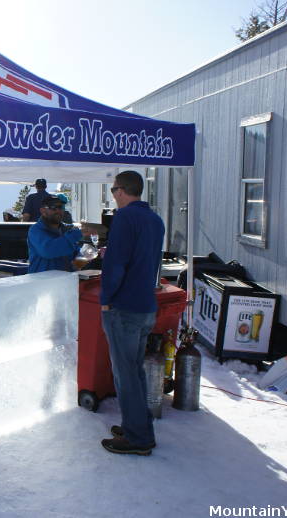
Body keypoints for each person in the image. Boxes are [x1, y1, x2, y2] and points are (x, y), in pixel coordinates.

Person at [99, 171, 165, 456]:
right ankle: (138, 425)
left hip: (123, 307)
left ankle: (138, 438)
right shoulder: (155, 219)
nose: (113, 195)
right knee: (134, 372)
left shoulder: (125, 218)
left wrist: (106, 298)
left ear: (122, 190)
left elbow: (116, 264)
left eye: (113, 190)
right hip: (145, 305)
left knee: (125, 374)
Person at [26, 195, 93, 274]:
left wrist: (87, 254)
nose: (58, 211)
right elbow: (48, 251)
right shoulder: (36, 230)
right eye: (53, 207)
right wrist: (77, 234)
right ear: (43, 211)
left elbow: (75, 254)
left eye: (61, 207)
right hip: (41, 282)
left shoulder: (67, 230)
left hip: (64, 281)